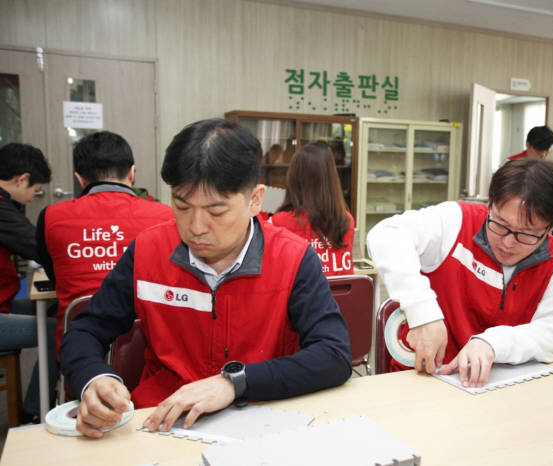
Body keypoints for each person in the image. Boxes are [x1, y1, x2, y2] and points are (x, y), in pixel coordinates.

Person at [60, 119, 352, 438]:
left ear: (255, 199)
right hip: (162, 421)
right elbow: (86, 329)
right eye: (182, 206)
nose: (196, 227)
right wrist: (95, 378)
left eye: (216, 212)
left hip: (262, 420)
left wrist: (234, 382)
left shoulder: (292, 258)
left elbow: (333, 355)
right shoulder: (147, 251)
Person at [367, 158, 553, 387]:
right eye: (500, 224)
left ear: (550, 228)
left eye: (526, 234)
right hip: (424, 379)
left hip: (496, 387)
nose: (507, 242)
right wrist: (421, 311)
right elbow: (385, 235)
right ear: (490, 204)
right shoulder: (456, 220)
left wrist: (492, 343)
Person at [36, 131, 174, 354]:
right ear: (132, 173)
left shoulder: (51, 216)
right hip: (150, 352)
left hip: (80, 352)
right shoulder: (166, 215)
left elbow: (56, 277)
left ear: (79, 178)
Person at [0, 142, 57, 422]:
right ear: (21, 178)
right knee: (57, 330)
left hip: (5, 300)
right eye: (33, 191)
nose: (31, 197)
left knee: (45, 308)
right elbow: (37, 246)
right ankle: (34, 412)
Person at [271, 141, 354, 277]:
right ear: (332, 179)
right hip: (339, 299)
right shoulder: (346, 220)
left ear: (293, 177)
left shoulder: (280, 222)